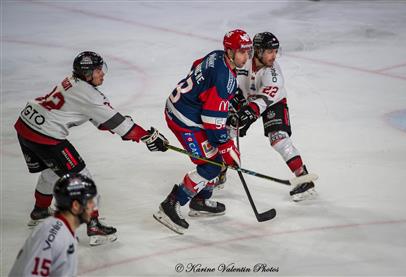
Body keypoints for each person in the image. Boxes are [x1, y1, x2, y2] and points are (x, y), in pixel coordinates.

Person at [14, 51, 169, 245]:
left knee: (51, 173)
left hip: (26, 125)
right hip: (46, 135)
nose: (102, 74)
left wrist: (124, 128)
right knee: (83, 178)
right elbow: (120, 126)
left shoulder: (73, 81)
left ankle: (39, 212)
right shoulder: (90, 95)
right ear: (87, 73)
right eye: (98, 71)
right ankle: (94, 225)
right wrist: (147, 137)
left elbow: (100, 120)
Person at [153, 29, 253, 234]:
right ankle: (170, 205)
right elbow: (211, 121)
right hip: (184, 119)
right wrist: (226, 147)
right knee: (212, 165)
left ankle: (200, 200)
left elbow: (195, 67)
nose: (246, 56)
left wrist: (224, 102)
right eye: (241, 52)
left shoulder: (216, 56)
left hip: (183, 107)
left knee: (215, 159)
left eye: (248, 51)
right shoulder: (225, 77)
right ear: (230, 51)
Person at [227, 32, 316, 202]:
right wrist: (234, 98)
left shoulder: (274, 74)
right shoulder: (243, 59)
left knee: (278, 138)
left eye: (275, 51)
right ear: (258, 51)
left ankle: (304, 178)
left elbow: (265, 99)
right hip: (246, 100)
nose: (274, 56)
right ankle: (220, 173)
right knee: (226, 131)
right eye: (269, 51)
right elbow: (230, 76)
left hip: (272, 102)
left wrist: (248, 113)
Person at [9, 173, 97, 276]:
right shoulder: (52, 237)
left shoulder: (63, 231)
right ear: (76, 206)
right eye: (90, 201)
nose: (93, 205)